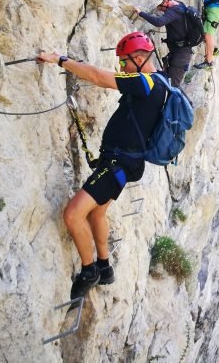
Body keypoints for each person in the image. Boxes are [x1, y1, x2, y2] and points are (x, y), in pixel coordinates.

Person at [36, 32, 167, 300]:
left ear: (140, 59)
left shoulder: (146, 83)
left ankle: (89, 271)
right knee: (97, 213)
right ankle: (105, 267)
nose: (122, 68)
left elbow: (98, 76)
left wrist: (60, 60)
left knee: (73, 214)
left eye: (125, 62)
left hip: (120, 163)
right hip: (120, 162)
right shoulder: (161, 81)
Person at [125, 0, 197, 87]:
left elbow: (159, 22)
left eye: (160, 6)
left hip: (180, 57)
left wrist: (141, 13)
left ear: (166, 2)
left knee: (172, 88)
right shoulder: (178, 5)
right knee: (166, 84)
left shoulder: (173, 12)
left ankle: (182, 103)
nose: (160, 9)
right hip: (179, 54)